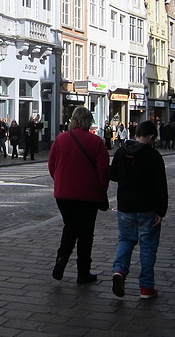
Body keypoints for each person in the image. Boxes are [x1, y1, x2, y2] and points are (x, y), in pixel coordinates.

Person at [48, 106, 110, 285]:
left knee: (70, 227)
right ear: (89, 121)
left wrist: (60, 181)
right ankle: (83, 272)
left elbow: (52, 165)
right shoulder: (96, 142)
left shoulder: (60, 139)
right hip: (88, 196)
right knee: (85, 233)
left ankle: (61, 260)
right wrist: (101, 189)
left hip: (64, 195)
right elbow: (103, 170)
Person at [110, 121, 167, 299]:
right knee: (148, 247)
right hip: (148, 207)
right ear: (151, 137)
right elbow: (160, 186)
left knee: (125, 240)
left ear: (136, 135)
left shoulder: (121, 152)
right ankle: (146, 287)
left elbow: (113, 176)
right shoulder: (154, 156)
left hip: (125, 206)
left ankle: (119, 271)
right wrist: (161, 210)